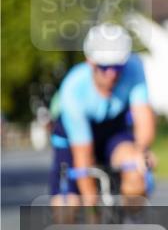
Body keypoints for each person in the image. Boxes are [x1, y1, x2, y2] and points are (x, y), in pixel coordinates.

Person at [49, 23, 156, 210]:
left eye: (118, 66)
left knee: (135, 170)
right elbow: (82, 156)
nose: (112, 74)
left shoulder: (134, 67)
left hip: (112, 129)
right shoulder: (73, 88)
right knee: (67, 206)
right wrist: (93, 206)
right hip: (73, 138)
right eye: (105, 67)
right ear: (90, 62)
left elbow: (144, 119)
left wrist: (140, 152)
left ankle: (132, 220)